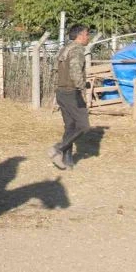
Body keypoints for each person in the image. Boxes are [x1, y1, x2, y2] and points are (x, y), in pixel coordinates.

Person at [49, 24, 91, 170]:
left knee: (70, 127)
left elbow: (55, 70)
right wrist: (83, 86)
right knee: (84, 126)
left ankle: (68, 160)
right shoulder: (77, 50)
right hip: (72, 92)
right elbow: (75, 72)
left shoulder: (64, 49)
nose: (88, 37)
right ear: (79, 36)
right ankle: (59, 148)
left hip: (61, 92)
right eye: (87, 34)